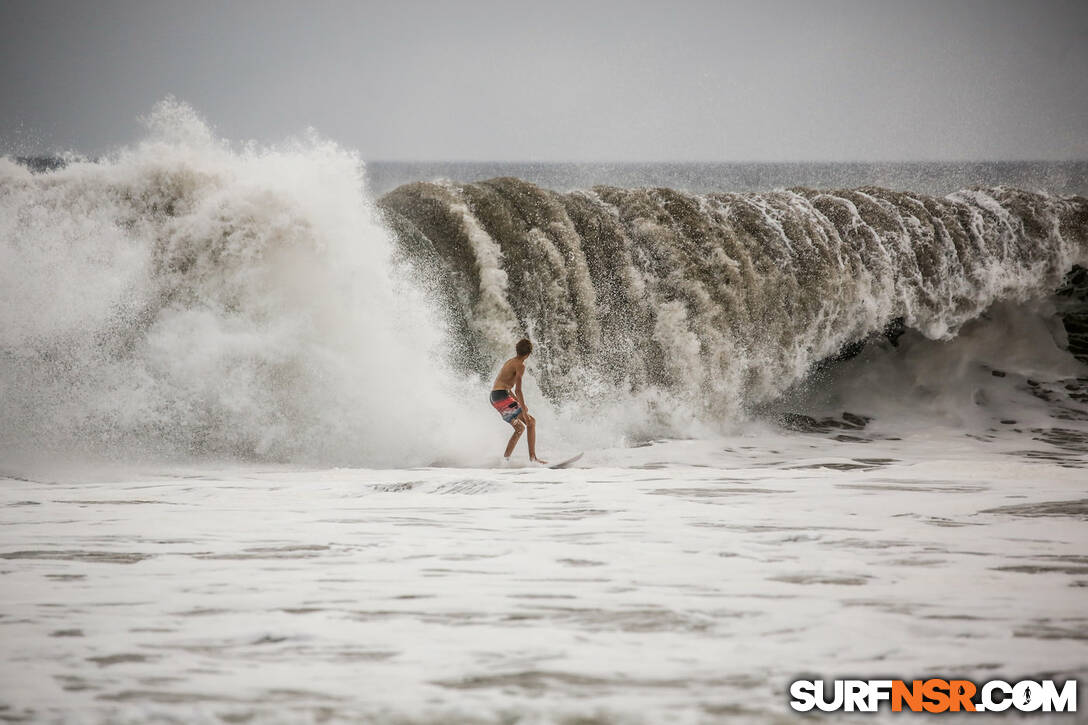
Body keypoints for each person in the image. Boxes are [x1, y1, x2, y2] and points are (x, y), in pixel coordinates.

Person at [490, 338, 546, 463]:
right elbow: (518, 390)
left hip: (495, 397)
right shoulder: (520, 365)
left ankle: (505, 461)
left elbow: (509, 389)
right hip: (502, 396)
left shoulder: (510, 362)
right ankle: (533, 458)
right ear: (528, 354)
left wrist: (521, 405)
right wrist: (524, 412)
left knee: (520, 428)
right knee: (530, 422)